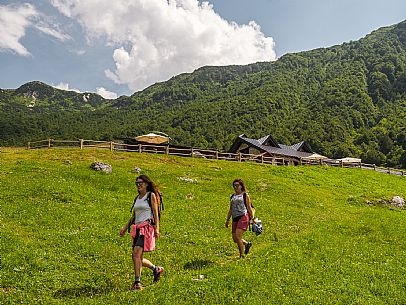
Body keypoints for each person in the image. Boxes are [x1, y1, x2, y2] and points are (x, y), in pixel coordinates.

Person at [120, 174, 164, 291]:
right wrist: (125, 228)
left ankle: (137, 283)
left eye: (141, 183)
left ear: (146, 184)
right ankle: (156, 269)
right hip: (137, 229)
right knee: (137, 257)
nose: (138, 185)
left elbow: (155, 213)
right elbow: (134, 216)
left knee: (136, 254)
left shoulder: (151, 196)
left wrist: (157, 229)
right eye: (137, 183)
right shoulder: (137, 198)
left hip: (147, 228)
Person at [225, 178, 255, 258]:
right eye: (234, 185)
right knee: (235, 239)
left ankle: (241, 255)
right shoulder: (232, 196)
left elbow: (249, 207)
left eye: (237, 185)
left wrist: (252, 218)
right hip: (235, 218)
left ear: (241, 186)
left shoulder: (245, 195)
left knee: (238, 237)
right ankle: (247, 244)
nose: (235, 187)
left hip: (243, 216)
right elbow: (231, 209)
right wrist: (227, 219)